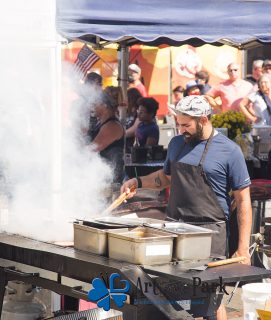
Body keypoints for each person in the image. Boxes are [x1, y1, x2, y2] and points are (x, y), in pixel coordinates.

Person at [121, 95, 252, 320]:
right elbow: (165, 177)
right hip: (175, 230)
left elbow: (243, 202)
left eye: (186, 125)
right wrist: (139, 182)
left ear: (203, 119)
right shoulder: (176, 143)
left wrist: (242, 249)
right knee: (173, 295)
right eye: (178, 124)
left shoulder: (230, 151)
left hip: (211, 234)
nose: (181, 130)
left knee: (211, 298)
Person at [89, 91, 125, 183]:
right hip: (100, 174)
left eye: (96, 101)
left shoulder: (112, 126)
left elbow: (93, 148)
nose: (92, 104)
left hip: (110, 177)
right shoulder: (100, 123)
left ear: (105, 105)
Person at [125, 88, 143, 152]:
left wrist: (119, 135)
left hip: (134, 148)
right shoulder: (127, 111)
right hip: (126, 147)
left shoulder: (140, 112)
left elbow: (134, 129)